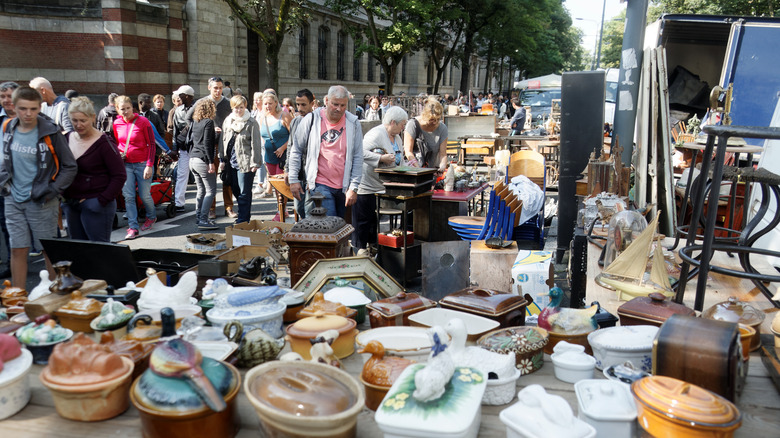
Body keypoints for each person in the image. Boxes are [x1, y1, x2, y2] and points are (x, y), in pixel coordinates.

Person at [0, 86, 77, 287]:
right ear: (14, 107)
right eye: (23, 108)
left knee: (48, 251)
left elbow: (70, 166)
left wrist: (52, 190)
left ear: (39, 107)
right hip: (13, 198)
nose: (28, 113)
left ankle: (53, 296)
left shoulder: (50, 131)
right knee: (18, 249)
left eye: (33, 109)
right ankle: (18, 299)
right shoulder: (7, 127)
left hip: (42, 199)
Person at [289, 85, 363, 219]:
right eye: (335, 104)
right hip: (320, 183)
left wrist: (354, 187)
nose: (339, 109)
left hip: (344, 186)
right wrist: (293, 179)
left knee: (340, 226)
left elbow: (358, 156)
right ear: (327, 101)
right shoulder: (311, 119)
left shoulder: (353, 122)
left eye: (343, 105)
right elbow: (296, 150)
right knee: (329, 224)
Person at [62, 97, 126, 242]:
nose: (78, 125)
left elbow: (119, 176)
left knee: (98, 253)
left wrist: (100, 200)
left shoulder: (104, 143)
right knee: (79, 251)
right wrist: (62, 196)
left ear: (92, 118)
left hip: (96, 203)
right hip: (71, 204)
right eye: (74, 120)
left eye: (82, 120)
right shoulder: (66, 139)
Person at [353, 106, 407, 252]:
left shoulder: (397, 138)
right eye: (402, 124)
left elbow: (400, 159)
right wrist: (380, 158)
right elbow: (360, 152)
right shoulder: (376, 134)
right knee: (363, 220)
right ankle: (359, 250)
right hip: (368, 185)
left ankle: (374, 248)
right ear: (393, 122)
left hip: (385, 185)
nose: (403, 127)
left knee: (374, 221)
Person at [113, 95, 157, 240]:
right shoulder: (117, 123)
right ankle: (133, 226)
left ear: (132, 108)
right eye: (122, 109)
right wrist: (119, 153)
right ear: (117, 110)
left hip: (143, 164)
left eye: (128, 108)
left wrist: (149, 166)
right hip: (125, 164)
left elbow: (151, 144)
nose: (125, 111)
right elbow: (117, 142)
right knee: (129, 196)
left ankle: (151, 216)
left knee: (144, 195)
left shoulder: (143, 122)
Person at [189, 77, 233, 219]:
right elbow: (189, 118)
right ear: (209, 87)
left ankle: (229, 207)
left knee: (227, 177)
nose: (218, 90)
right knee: (210, 177)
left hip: (226, 144)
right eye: (215, 88)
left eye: (220, 88)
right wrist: (209, 128)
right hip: (209, 146)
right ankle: (211, 208)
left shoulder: (227, 103)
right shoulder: (202, 102)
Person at [220, 95, 261, 224]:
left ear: (245, 107)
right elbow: (223, 140)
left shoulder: (251, 122)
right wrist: (221, 159)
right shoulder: (228, 121)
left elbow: (256, 143)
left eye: (241, 107)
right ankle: (244, 212)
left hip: (246, 162)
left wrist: (255, 162)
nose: (239, 110)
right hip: (230, 161)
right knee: (235, 189)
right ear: (232, 108)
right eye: (236, 108)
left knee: (244, 192)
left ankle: (243, 219)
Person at [0, 81, 20, 278]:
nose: (6, 100)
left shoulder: (33, 120)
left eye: (9, 96)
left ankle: (57, 267)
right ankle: (11, 264)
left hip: (28, 184)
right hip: (2, 185)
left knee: (42, 231)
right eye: (2, 96)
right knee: (7, 226)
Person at [189, 99, 218, 230]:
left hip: (193, 159)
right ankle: (203, 219)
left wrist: (215, 134)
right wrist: (211, 162)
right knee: (211, 191)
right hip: (202, 160)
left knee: (201, 190)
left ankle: (198, 217)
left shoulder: (196, 122)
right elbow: (207, 143)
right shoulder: (208, 122)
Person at [286, 88, 315, 219]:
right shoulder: (295, 122)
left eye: (303, 104)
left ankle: (309, 237)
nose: (300, 108)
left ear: (312, 103)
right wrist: (288, 170)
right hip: (298, 172)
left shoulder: (317, 122)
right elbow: (291, 147)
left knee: (310, 209)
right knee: (299, 207)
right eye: (297, 104)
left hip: (312, 172)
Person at [403, 97, 448, 172]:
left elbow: (443, 154)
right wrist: (419, 169)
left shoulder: (442, 128)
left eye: (437, 119)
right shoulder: (413, 124)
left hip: (431, 170)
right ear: (424, 115)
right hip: (413, 170)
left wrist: (442, 166)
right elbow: (408, 151)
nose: (434, 122)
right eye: (431, 120)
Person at [171, 85, 196, 212]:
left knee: (200, 176)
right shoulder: (178, 111)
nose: (178, 97)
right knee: (181, 174)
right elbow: (175, 131)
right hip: (184, 148)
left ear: (187, 96)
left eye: (180, 95)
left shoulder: (198, 108)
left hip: (197, 147)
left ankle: (203, 203)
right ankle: (178, 202)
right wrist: (175, 148)